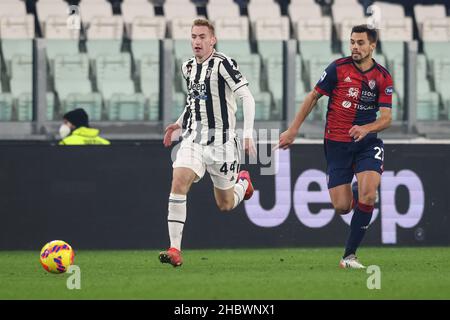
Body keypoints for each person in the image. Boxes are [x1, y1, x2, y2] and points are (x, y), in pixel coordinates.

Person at [278, 25, 393, 269]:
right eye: (352, 42)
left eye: (360, 43)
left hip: (366, 143)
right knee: (342, 207)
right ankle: (358, 188)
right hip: (337, 144)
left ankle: (349, 256)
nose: (355, 47)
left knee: (369, 193)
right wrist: (293, 129)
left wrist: (366, 129)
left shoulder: (382, 77)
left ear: (372, 46)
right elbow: (313, 97)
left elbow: (386, 118)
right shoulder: (337, 68)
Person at [160, 18, 257, 267]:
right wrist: (179, 123)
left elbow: (246, 97)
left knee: (225, 204)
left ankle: (243, 184)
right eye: (193, 37)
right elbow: (195, 101)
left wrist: (247, 133)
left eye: (202, 37)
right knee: (179, 180)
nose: (197, 41)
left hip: (223, 144)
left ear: (212, 40)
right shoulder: (188, 68)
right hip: (194, 139)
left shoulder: (223, 64)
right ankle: (174, 249)